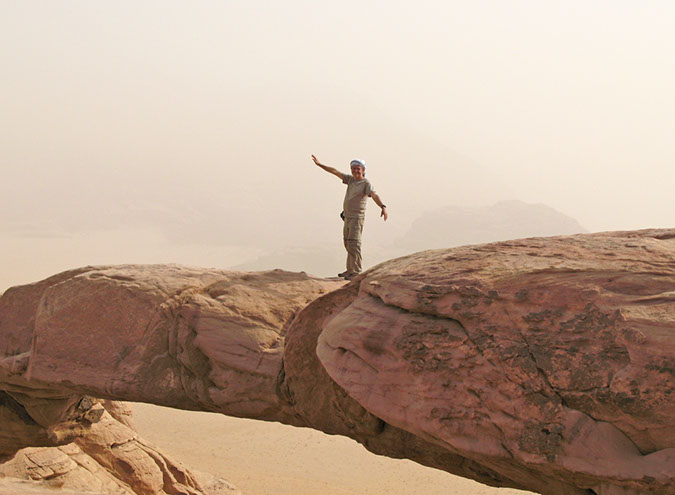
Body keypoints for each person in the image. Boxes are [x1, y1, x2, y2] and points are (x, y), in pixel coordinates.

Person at [312, 154, 388, 280]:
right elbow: (335, 171)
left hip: (356, 218)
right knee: (347, 242)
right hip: (347, 217)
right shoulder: (351, 180)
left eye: (358, 168)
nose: (355, 171)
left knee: (354, 243)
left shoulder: (366, 183)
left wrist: (383, 206)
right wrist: (320, 164)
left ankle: (356, 272)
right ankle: (350, 270)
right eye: (353, 168)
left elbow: (374, 195)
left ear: (363, 170)